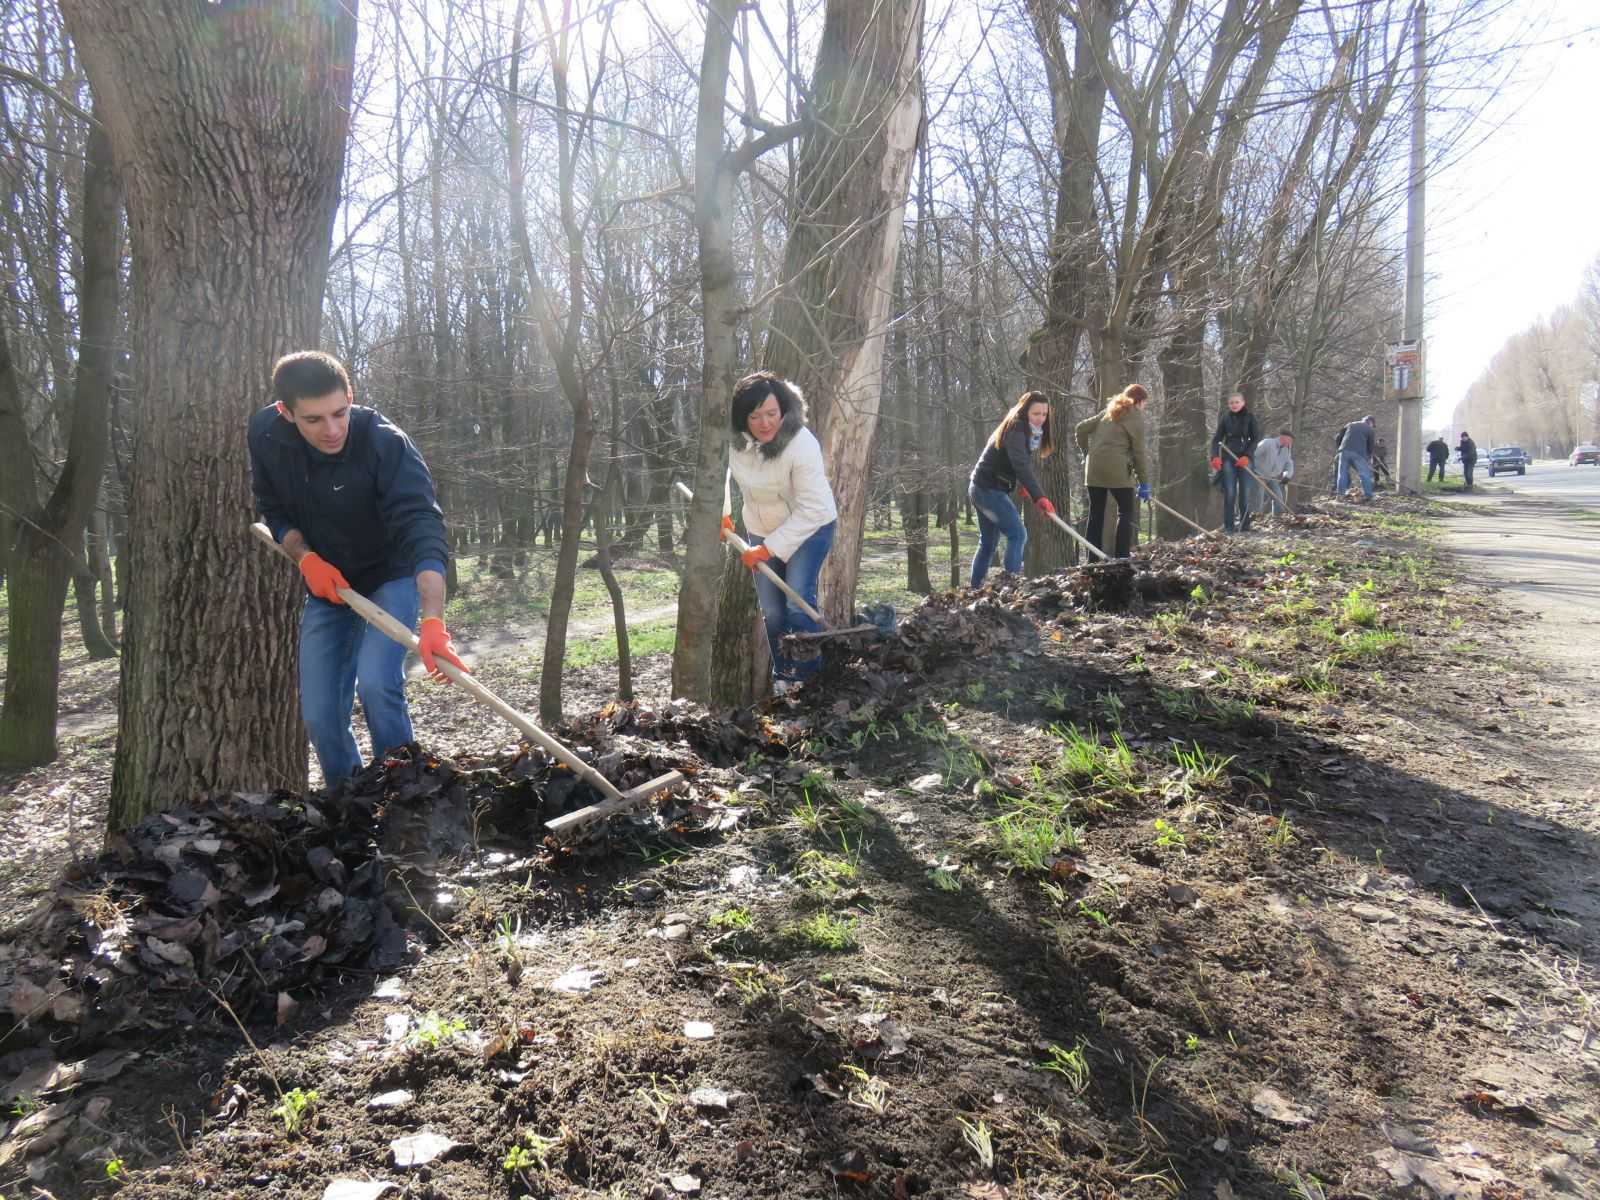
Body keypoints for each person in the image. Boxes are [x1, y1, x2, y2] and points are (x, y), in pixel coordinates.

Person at [250, 351, 466, 785]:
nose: (331, 430)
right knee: (320, 715)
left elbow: (422, 526)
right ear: (285, 413)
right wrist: (305, 558)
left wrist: (433, 619)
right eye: (313, 420)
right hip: (328, 585)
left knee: (377, 686)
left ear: (350, 397)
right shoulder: (265, 434)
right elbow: (272, 509)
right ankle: (350, 805)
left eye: (339, 412)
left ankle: (407, 797)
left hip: (391, 574)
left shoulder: (385, 443)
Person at [723, 371, 838, 691]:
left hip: (811, 527)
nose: (764, 423)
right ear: (743, 417)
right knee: (772, 612)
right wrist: (724, 515)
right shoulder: (733, 442)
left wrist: (769, 549)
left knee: (797, 603)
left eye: (772, 414)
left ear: (783, 410)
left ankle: (810, 681)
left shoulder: (801, 444)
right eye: (755, 415)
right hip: (761, 529)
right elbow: (717, 472)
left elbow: (812, 509)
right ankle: (785, 678)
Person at [968, 390, 1056, 586]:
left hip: (981, 486)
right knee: (1018, 534)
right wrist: (1039, 497)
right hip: (987, 489)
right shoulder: (1016, 428)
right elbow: (1020, 464)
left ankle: (975, 589)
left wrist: (1022, 484)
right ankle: (1011, 585)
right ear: (1025, 411)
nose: (1041, 418)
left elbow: (1012, 462)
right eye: (1036, 414)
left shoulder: (1025, 430)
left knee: (988, 544)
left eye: (1044, 414)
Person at [1074, 383, 1150, 559]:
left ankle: (1092, 559)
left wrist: (1087, 452)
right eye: (1145, 403)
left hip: (1093, 469)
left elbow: (1080, 429)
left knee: (1096, 513)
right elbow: (1139, 453)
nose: (1144, 407)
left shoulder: (1108, 412)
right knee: (1125, 511)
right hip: (1117, 471)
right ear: (1139, 401)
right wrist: (1144, 482)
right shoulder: (1136, 418)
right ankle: (1122, 555)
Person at [1210, 392, 1260, 533]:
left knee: (1244, 493)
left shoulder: (1250, 418)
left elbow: (1256, 439)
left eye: (1237, 402)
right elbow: (1216, 439)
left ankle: (1244, 526)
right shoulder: (1225, 418)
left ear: (1243, 403)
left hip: (1245, 459)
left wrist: (1247, 456)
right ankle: (1229, 527)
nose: (1234, 405)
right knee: (1230, 493)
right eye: (1231, 403)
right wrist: (1214, 456)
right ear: (1229, 405)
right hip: (1228, 458)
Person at [1334, 414, 1377, 500]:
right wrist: (1368, 458)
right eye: (1373, 425)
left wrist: (1340, 448)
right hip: (1359, 453)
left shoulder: (1350, 424)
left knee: (1342, 474)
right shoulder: (1370, 430)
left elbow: (1338, 437)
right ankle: (1368, 495)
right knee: (1364, 474)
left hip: (1344, 451)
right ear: (1371, 422)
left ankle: (1340, 495)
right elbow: (1370, 446)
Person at [1252, 430, 1295, 515]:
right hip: (1258, 475)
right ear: (1283, 437)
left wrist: (1287, 476)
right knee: (1258, 500)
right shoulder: (1267, 443)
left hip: (1271, 477)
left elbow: (1288, 463)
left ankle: (1278, 519)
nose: (1290, 443)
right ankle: (1255, 520)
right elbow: (1253, 454)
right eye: (1289, 440)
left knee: (1278, 498)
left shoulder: (1287, 449)